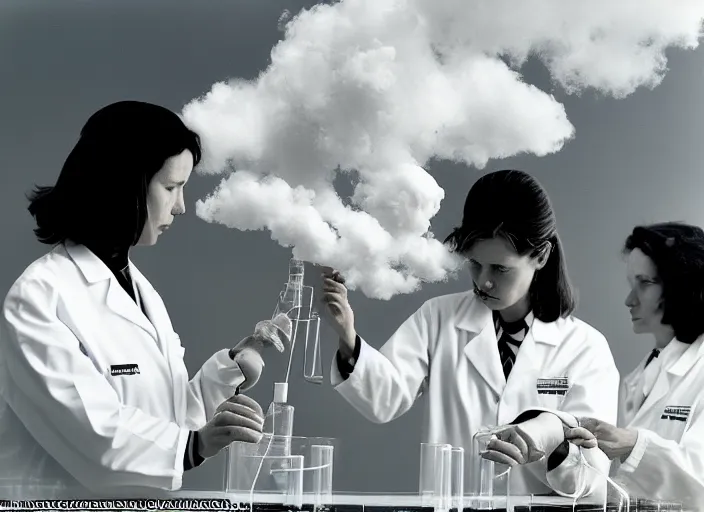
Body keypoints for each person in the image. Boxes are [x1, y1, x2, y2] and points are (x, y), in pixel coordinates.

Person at [0, 101, 284, 499]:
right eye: (170, 187)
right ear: (123, 184)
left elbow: (169, 415)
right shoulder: (38, 297)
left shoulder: (137, 288)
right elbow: (94, 438)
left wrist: (232, 367)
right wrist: (195, 446)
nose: (181, 206)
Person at [320, 169, 619, 497]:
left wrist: (549, 435)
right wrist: (348, 336)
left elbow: (590, 472)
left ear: (541, 256)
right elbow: (384, 399)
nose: (483, 282)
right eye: (475, 264)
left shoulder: (585, 348)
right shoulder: (438, 318)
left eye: (500, 269)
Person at [566, 222, 704, 509]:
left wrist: (634, 444)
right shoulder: (641, 376)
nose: (629, 300)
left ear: (683, 284)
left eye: (645, 283)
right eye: (632, 285)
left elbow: (699, 477)